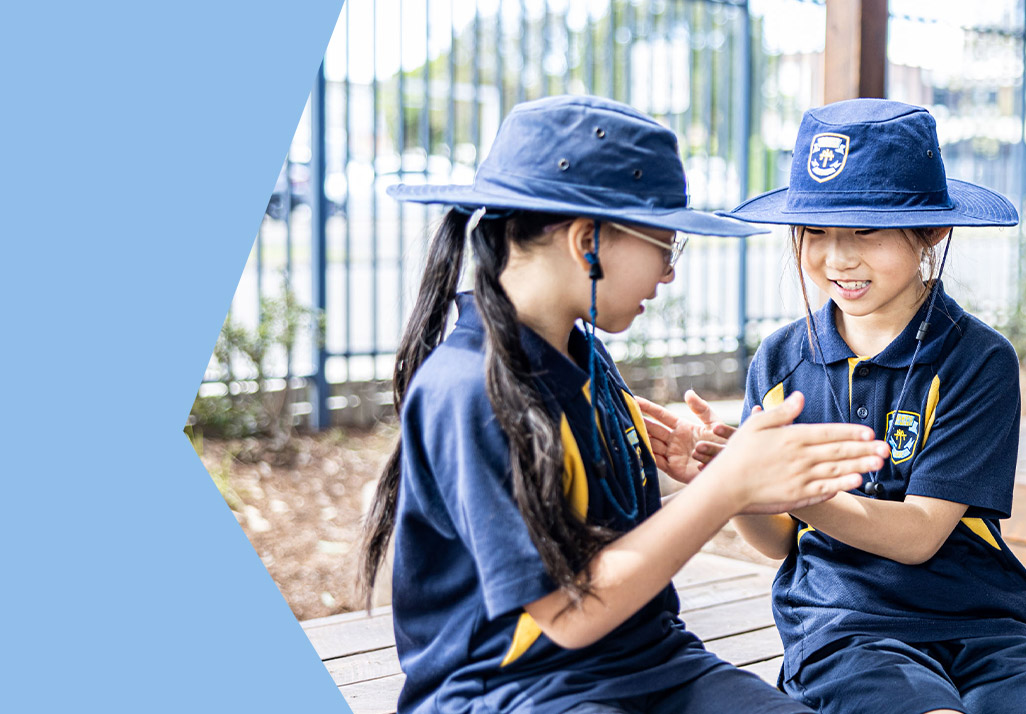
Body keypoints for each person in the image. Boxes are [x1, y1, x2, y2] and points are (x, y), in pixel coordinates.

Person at [359, 94, 889, 714]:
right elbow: (567, 614)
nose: (667, 275)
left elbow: (592, 515)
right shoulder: (466, 390)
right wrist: (727, 489)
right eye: (666, 245)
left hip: (649, 660)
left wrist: (719, 470)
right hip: (515, 690)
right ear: (588, 241)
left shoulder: (581, 354)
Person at [661, 98, 1026, 714]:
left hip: (987, 626)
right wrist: (737, 485)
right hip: (846, 627)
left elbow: (920, 536)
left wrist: (788, 486)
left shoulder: (977, 360)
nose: (837, 258)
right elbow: (776, 542)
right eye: (815, 232)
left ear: (933, 229)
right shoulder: (783, 359)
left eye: (865, 229)